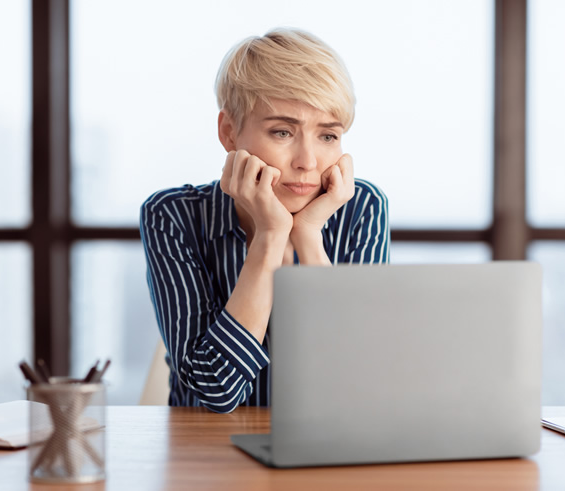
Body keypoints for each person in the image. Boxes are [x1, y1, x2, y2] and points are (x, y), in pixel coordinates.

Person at [140, 28, 390, 412]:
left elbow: (361, 383)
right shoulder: (173, 215)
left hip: (323, 448)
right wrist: (271, 238)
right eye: (283, 132)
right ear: (229, 132)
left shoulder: (360, 207)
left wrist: (308, 235)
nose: (307, 161)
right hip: (207, 456)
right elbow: (215, 392)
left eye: (327, 136)